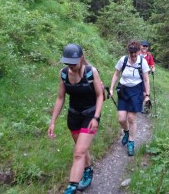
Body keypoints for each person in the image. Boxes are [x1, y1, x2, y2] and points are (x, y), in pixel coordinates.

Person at [47, 44, 104, 194]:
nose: (70, 66)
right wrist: (52, 122)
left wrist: (96, 117)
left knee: (78, 152)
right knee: (81, 149)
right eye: (67, 63)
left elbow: (100, 96)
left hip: (90, 115)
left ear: (81, 58)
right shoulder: (64, 74)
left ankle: (72, 187)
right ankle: (88, 170)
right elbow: (60, 98)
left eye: (73, 63)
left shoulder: (91, 72)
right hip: (73, 116)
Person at [109, 40, 151, 156]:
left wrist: (147, 95)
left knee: (131, 118)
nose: (133, 55)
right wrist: (112, 88)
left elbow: (146, 79)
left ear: (138, 51)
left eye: (135, 53)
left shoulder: (142, 62)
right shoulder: (123, 60)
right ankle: (126, 132)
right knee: (121, 119)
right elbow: (116, 74)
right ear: (128, 51)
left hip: (136, 91)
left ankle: (131, 141)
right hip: (123, 90)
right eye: (131, 53)